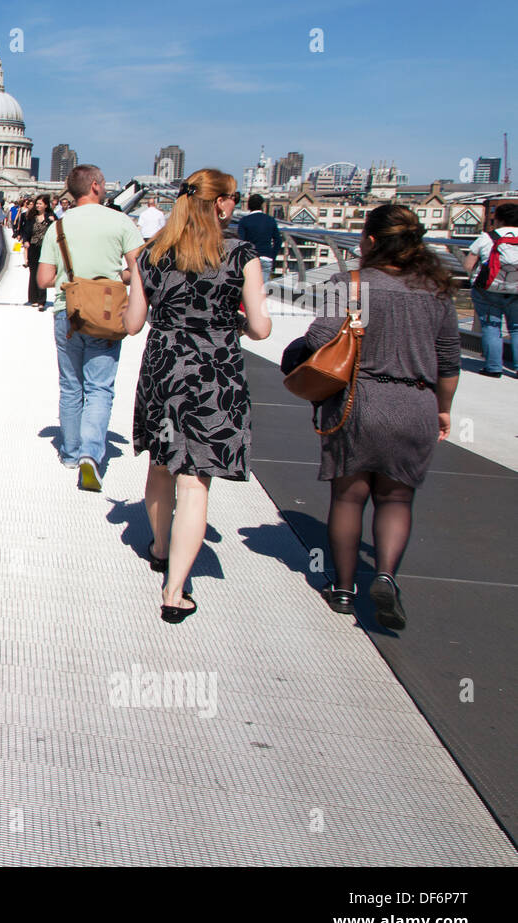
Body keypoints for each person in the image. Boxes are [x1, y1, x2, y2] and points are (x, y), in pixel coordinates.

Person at [122, 169, 271, 623]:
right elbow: (262, 328)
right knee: (195, 480)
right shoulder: (240, 253)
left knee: (162, 465)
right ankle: (174, 591)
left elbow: (132, 324)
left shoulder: (150, 255)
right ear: (222, 204)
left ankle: (160, 548)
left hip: (165, 365)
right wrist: (232, 323)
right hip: (215, 372)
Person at [303, 204, 459, 630]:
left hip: (358, 401)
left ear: (369, 241)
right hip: (416, 404)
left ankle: (344, 588)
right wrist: (443, 410)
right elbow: (448, 361)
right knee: (396, 499)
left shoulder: (350, 284)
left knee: (349, 497)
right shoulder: (438, 292)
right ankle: (387, 574)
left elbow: (319, 338)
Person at [37, 164, 144, 491]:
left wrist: (73, 278)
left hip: (67, 313)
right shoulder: (122, 222)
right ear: (96, 186)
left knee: (71, 385)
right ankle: (90, 455)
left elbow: (44, 280)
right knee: (99, 387)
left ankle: (69, 453)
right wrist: (116, 277)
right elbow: (140, 269)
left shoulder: (58, 227)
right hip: (108, 312)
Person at [463, 203, 518, 377]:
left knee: (491, 326)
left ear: (499, 219)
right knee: (516, 328)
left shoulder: (487, 237)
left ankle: (493, 368)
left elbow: (469, 265)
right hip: (516, 291)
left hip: (488, 290)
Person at [236, 194, 281, 282]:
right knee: (262, 288)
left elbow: (240, 242)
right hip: (266, 258)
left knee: (249, 287)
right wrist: (272, 256)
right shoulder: (270, 220)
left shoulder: (244, 221)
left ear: (248, 206)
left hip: (250, 259)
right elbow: (278, 241)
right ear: (262, 205)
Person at [23, 195, 55, 310]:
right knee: (33, 273)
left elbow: (56, 230)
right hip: (33, 247)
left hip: (45, 248)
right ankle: (33, 298)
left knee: (43, 273)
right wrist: (25, 241)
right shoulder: (32, 217)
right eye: (37, 203)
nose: (38, 205)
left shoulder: (50, 217)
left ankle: (42, 301)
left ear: (46, 205)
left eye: (40, 204)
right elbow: (26, 230)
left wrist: (53, 221)